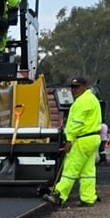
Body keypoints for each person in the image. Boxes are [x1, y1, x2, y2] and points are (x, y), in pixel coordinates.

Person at [44, 76, 102, 207]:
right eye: (72, 87)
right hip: (92, 139)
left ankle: (59, 195)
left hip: (82, 139)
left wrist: (69, 140)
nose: (74, 90)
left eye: (77, 87)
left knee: (71, 168)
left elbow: (77, 123)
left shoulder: (83, 101)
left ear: (85, 86)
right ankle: (88, 197)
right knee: (88, 171)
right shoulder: (92, 99)